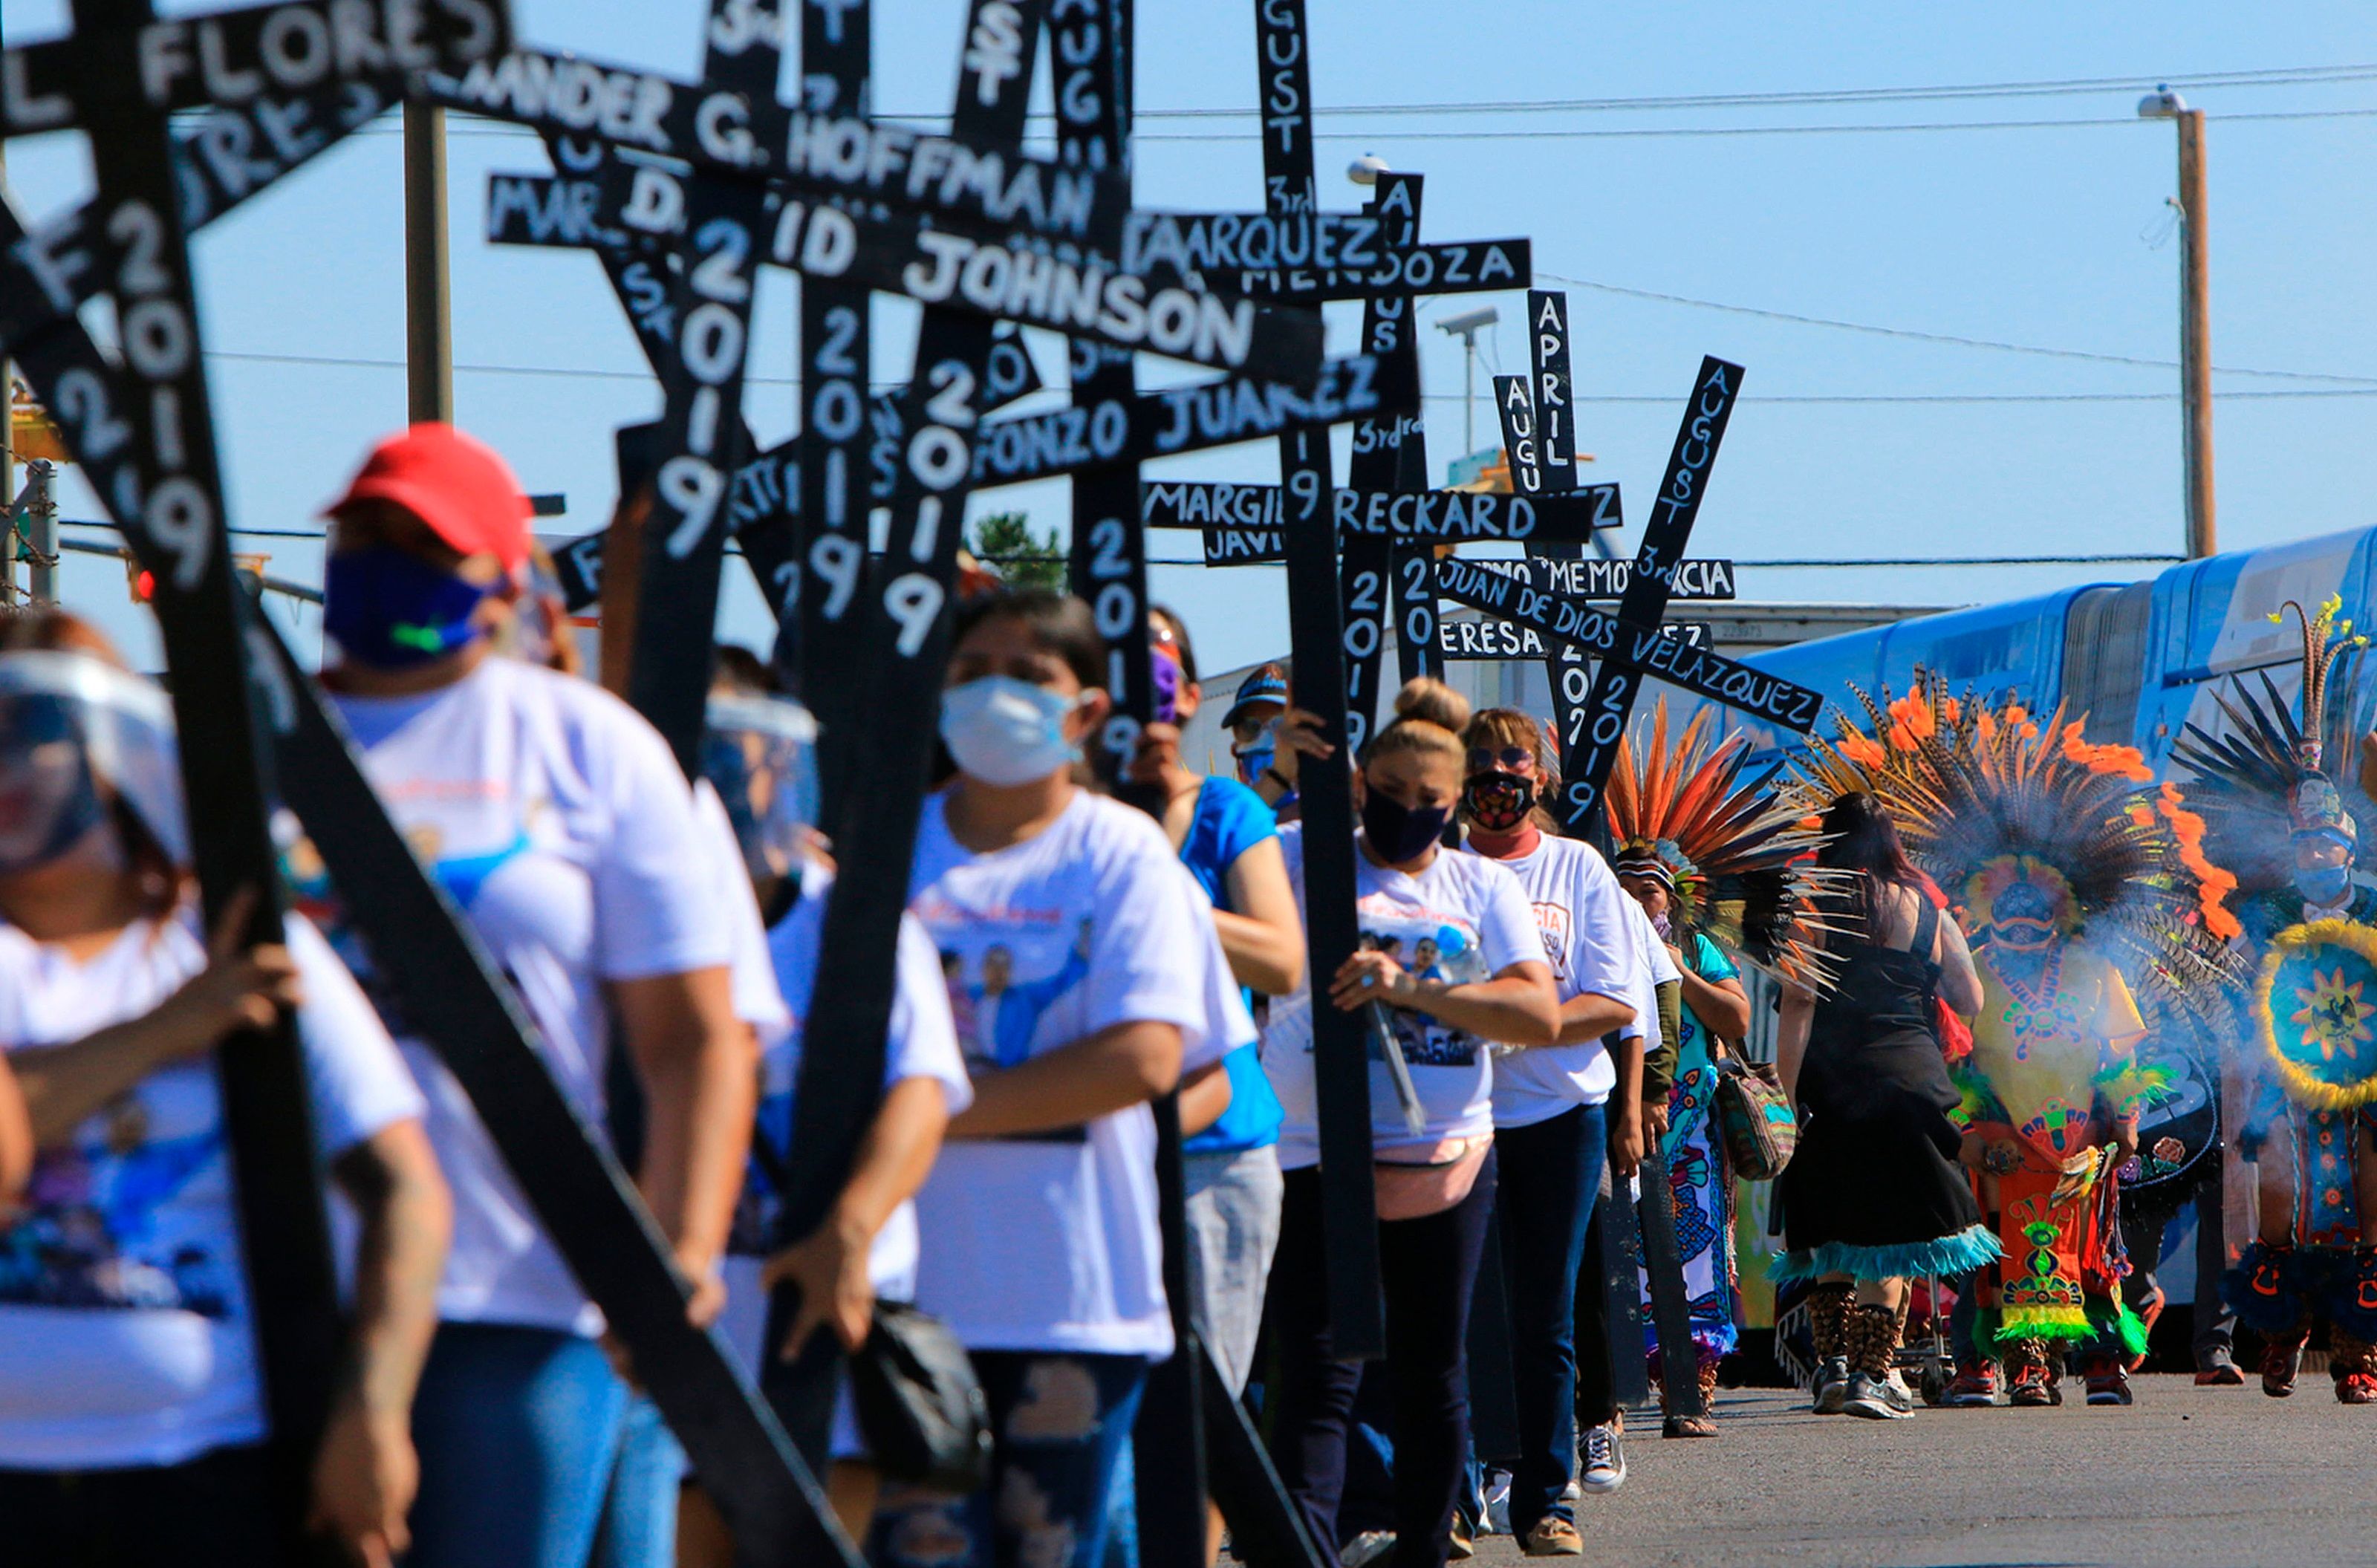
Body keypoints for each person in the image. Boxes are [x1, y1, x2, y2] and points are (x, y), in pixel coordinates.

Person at [305, 423, 764, 1568]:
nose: (385, 559)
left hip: (519, 1293)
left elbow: (694, 1035)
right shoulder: (246, 739)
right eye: (365, 535)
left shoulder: (588, 748)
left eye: (426, 545)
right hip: (269, 1285)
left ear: (505, 579)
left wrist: (682, 1247)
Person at [0, 611, 450, 1567]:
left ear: (115, 744)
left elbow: (402, 1188)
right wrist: (177, 1024)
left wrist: (371, 1411)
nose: (7, 765)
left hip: (207, 1474)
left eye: (36, 730)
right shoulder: (203, 978)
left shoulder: (233, 932)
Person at [877, 589, 1232, 1568]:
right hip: (904, 1297)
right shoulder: (886, 850)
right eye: (972, 672)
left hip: (1072, 1300)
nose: (997, 695)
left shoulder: (1120, 853)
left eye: (1030, 676)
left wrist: (922, 1112)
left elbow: (1147, 1055)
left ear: (1086, 710)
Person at [1261, 679, 1560, 1568]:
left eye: (1430, 803)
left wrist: (1415, 989)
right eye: (1389, 796)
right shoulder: (1299, 855)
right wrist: (1283, 767)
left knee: (1433, 1372)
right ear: (1359, 784)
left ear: (1456, 800)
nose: (1408, 817)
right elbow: (1213, 861)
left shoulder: (1477, 882)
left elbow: (1534, 1012)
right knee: (1315, 1376)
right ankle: (1304, 1549)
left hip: (1444, 1158)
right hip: (1316, 1153)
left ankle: (1426, 1546)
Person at [687, 683, 969, 1551]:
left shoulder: (856, 924)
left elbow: (922, 1087)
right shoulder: (658, 909)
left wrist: (847, 1230)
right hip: (696, 1313)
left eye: (747, 760)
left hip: (829, 1300)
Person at [1605, 700, 1837, 1431]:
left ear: (1673, 899)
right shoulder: (1596, 943)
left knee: (1696, 1247)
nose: (1633, 900)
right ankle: (1610, 1387)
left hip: (1690, 1123)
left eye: (1646, 890)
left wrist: (1674, 965)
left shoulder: (1693, 947)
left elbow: (1735, 1018)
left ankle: (1690, 1387)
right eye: (1624, 887)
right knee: (1615, 1246)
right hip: (1615, 1113)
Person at [1131, 608, 1301, 1563]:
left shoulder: (1225, 815)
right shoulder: (1064, 804)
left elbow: (1278, 956)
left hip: (1211, 1146)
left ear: (1186, 692)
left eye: (1160, 661)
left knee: (1199, 1417)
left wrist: (1155, 885)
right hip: (1080, 1141)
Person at [2180, 597, 2377, 1402]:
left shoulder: (2369, 910)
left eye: (2328, 843)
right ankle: (2280, 1330)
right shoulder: (2260, 913)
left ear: (2348, 848)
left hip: (2363, 1080)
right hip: (2281, 1076)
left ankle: (2360, 1350)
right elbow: (2234, 980)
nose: (2316, 853)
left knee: (2367, 1195)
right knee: (2276, 1206)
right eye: (2304, 844)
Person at [1451, 708, 1635, 1554]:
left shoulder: (1577, 866)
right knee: (1448, 1308)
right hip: (1456, 1118)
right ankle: (1450, 1491)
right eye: (1478, 760)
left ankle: (1543, 1497)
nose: (1496, 775)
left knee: (1543, 1312)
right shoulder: (1437, 867)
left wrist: (1507, 1025)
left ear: (1542, 773)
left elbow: (1611, 1000)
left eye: (1512, 759)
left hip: (1560, 1117)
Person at [1770, 790, 1994, 1421]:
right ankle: (1873, 1375)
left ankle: (1833, 1370)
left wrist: (1785, 1101)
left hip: (1833, 1083)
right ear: (1893, 840)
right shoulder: (1926, 907)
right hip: (1910, 1081)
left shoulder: (1811, 908)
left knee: (1832, 1227)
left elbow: (1798, 1006)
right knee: (1892, 1233)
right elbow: (1970, 996)